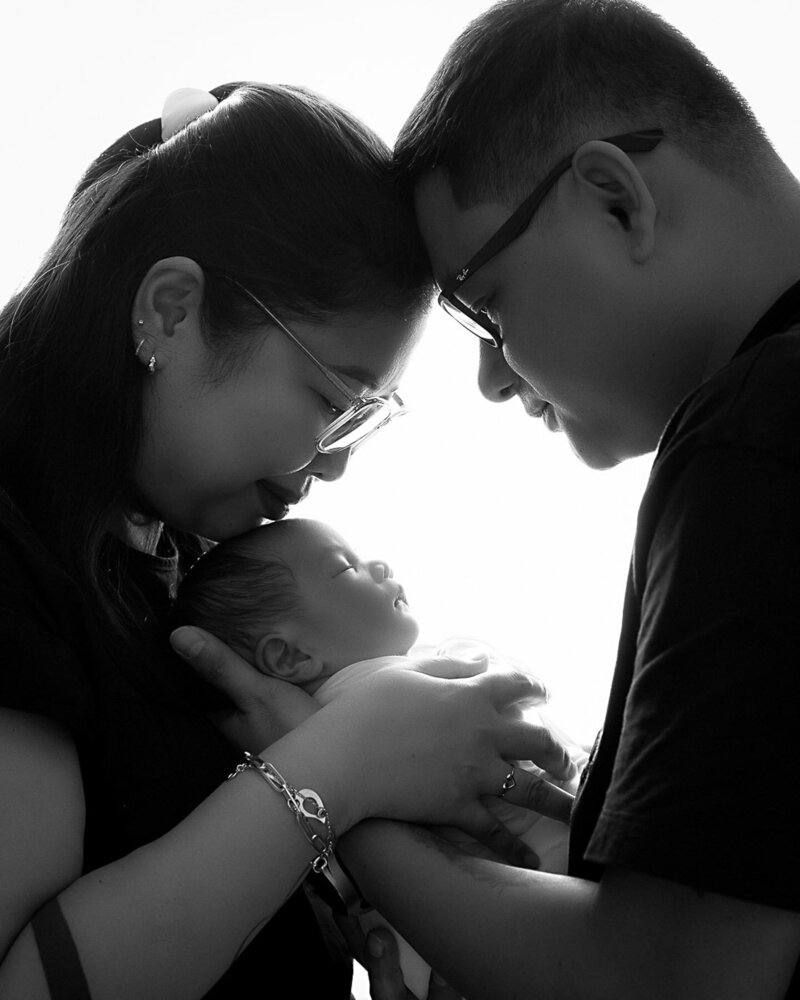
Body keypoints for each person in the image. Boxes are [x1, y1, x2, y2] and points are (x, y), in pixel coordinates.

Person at [0, 83, 574, 999]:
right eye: (330, 402)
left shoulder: (175, 578)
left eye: (362, 422)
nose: (332, 469)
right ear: (172, 312)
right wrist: (351, 754)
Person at [328, 0, 800, 995]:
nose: (492, 380)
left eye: (482, 302)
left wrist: (326, 792)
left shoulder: (752, 433)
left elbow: (664, 982)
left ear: (614, 198)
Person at [170, 516, 586, 998]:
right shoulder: (365, 696)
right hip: (552, 880)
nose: (379, 565)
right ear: (290, 658)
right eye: (346, 568)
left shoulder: (327, 722)